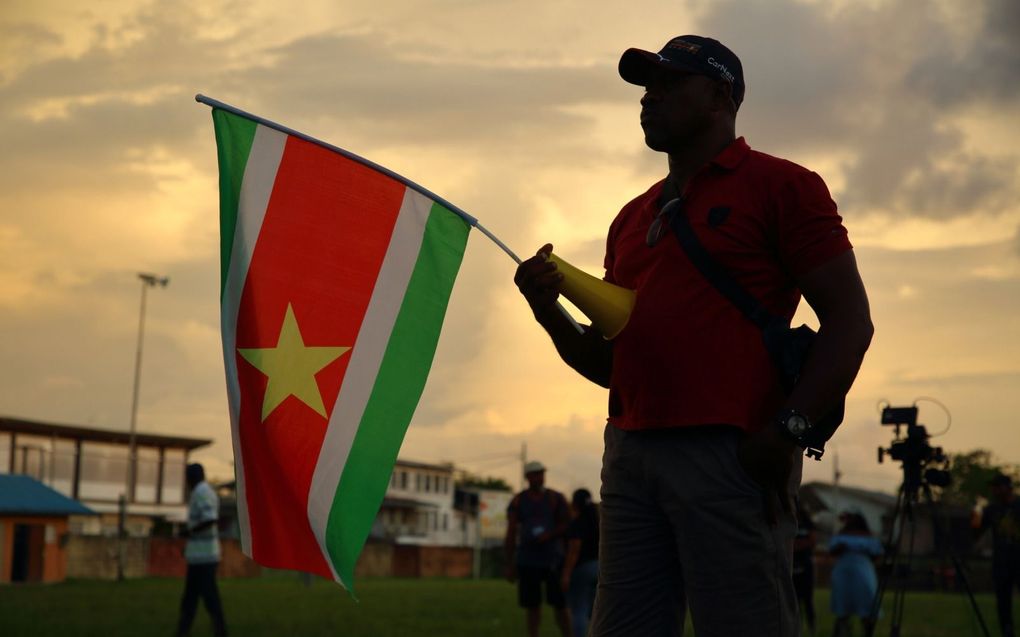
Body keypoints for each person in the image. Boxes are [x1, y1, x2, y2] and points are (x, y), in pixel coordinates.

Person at [513, 34, 874, 636]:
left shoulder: (783, 186)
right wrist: (547, 309)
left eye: (669, 83)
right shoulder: (631, 218)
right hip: (629, 456)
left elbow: (851, 321)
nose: (648, 98)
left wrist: (787, 431)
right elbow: (612, 365)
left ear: (720, 97)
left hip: (732, 453)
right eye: (646, 86)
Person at [505, 460, 571, 637]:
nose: (539, 477)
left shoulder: (555, 498)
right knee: (532, 606)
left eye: (541, 473)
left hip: (553, 559)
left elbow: (566, 525)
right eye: (535, 474)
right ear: (527, 477)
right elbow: (511, 532)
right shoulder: (519, 501)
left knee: (560, 604)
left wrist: (549, 536)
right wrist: (510, 563)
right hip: (527, 560)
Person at [176, 463, 227, 637]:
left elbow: (210, 519)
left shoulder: (201, 493)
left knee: (208, 598)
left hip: (204, 557)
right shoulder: (205, 491)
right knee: (192, 598)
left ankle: (220, 631)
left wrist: (189, 532)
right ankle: (183, 631)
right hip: (200, 555)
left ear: (192, 477)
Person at [974, 474, 1020, 637]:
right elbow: (976, 531)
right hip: (1001, 563)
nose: (994, 490)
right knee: (1003, 602)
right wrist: (977, 512)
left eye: (997, 487)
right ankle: (1007, 632)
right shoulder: (992, 509)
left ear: (1007, 488)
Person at [829, 511, 882, 637]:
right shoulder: (842, 535)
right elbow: (832, 550)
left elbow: (877, 554)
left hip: (862, 571)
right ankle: (842, 630)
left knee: (866, 602)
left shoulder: (868, 536)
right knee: (843, 604)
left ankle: (867, 629)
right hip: (845, 571)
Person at [560, 488, 600, 637]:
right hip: (599, 568)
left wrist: (566, 574)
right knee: (594, 611)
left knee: (579, 610)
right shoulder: (597, 523)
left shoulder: (577, 523)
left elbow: (574, 550)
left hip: (582, 569)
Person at [793, 500, 819, 636]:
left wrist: (796, 545)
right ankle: (798, 628)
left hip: (806, 565)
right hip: (792, 565)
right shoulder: (788, 521)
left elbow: (812, 541)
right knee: (794, 599)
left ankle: (812, 628)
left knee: (808, 599)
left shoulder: (808, 524)